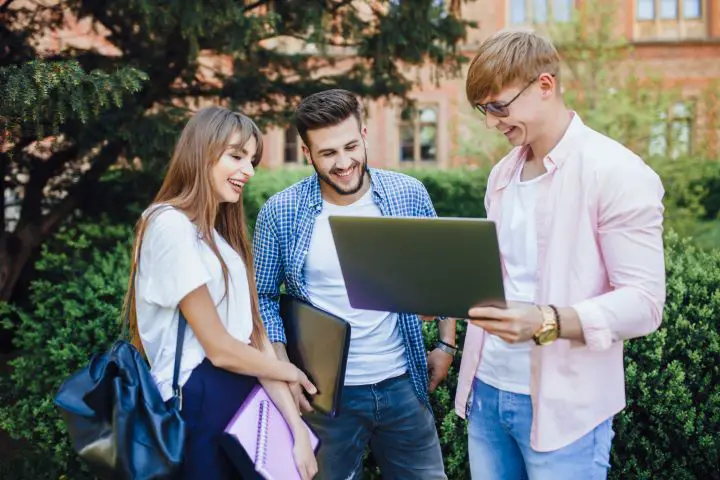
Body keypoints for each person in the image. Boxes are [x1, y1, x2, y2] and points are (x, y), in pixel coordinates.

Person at [454, 30, 666, 479]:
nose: (492, 123)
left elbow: (644, 304)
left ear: (545, 86)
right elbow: (504, 278)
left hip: (565, 406)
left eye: (499, 106)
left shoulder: (618, 172)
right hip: (487, 391)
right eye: (483, 110)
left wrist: (545, 321)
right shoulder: (501, 175)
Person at [252, 89, 454, 480]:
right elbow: (262, 296)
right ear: (307, 154)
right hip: (325, 398)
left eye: (351, 146)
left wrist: (446, 343)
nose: (344, 163)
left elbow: (439, 271)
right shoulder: (280, 211)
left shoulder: (407, 194)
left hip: (403, 384)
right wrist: (283, 372)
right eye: (328, 153)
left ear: (364, 134)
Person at [124, 106, 318, 480]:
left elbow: (254, 338)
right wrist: (288, 370)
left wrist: (297, 431)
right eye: (236, 156)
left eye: (253, 159)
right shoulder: (168, 224)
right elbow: (219, 348)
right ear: (202, 152)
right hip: (196, 403)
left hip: (240, 401)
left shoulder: (218, 238)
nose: (249, 170)